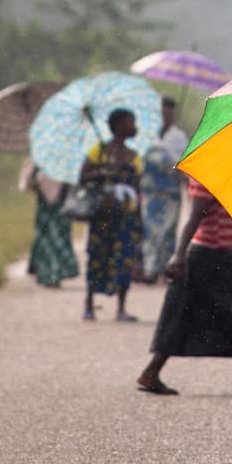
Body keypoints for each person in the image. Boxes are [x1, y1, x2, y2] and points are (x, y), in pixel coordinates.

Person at [136, 176, 232, 396]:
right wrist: (179, 256)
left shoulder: (223, 178)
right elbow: (194, 217)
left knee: (183, 316)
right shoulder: (206, 179)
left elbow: (220, 212)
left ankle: (151, 373)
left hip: (215, 255)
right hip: (206, 257)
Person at [80, 108, 144, 323]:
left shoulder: (134, 156)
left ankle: (121, 308)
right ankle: (89, 304)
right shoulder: (98, 151)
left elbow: (137, 190)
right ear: (117, 125)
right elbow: (83, 177)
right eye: (130, 122)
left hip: (125, 217)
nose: (133, 126)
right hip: (102, 216)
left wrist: (139, 221)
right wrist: (100, 173)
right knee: (97, 256)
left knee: (124, 259)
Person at [137, 96, 190, 283]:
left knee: (168, 230)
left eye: (168, 113)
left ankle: (165, 270)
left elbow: (184, 166)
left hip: (171, 193)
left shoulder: (179, 137)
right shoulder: (145, 136)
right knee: (151, 231)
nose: (165, 116)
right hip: (150, 193)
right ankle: (151, 268)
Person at [18, 155, 79, 288]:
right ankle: (50, 275)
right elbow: (29, 183)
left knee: (52, 240)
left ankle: (51, 274)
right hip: (49, 209)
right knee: (49, 240)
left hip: (58, 209)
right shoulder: (39, 160)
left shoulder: (61, 161)